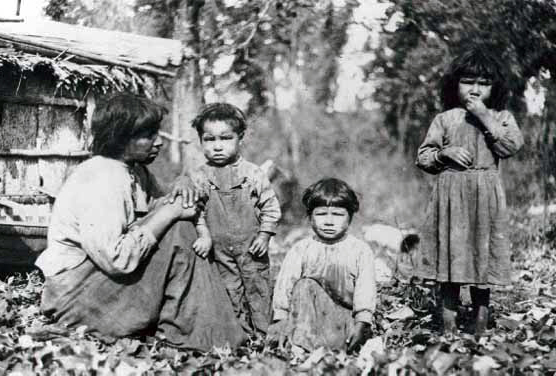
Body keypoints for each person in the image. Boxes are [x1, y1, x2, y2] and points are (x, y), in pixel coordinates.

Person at [35, 94, 246, 350]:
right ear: (120, 138)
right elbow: (116, 260)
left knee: (183, 222)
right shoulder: (102, 179)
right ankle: (195, 336)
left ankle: (202, 332)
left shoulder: (133, 170)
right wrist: (170, 212)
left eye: (156, 133)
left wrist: (183, 184)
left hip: (96, 286)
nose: (158, 142)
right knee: (178, 227)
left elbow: (166, 202)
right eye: (148, 136)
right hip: (74, 300)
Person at [415, 46, 524, 337]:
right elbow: (423, 156)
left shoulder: (501, 117)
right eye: (468, 82)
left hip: (485, 196)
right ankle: (448, 328)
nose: (475, 90)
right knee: (450, 261)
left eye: (484, 84)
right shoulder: (446, 119)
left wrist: (485, 117)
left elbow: (511, 146)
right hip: (451, 198)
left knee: (483, 260)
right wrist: (444, 154)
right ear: (455, 85)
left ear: (495, 88)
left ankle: (480, 326)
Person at [188, 103, 281, 337]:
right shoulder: (199, 176)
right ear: (200, 141)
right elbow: (195, 211)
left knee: (257, 288)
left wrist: (265, 234)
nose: (217, 146)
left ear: (240, 138)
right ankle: (240, 335)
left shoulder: (253, 173)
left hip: (251, 248)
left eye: (226, 138)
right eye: (209, 140)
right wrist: (203, 234)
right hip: (218, 250)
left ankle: (264, 334)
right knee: (229, 291)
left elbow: (270, 206)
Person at [268, 178, 376, 353]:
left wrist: (362, 322)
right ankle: (301, 349)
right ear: (310, 217)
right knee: (305, 285)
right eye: (321, 214)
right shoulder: (301, 249)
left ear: (350, 217)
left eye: (338, 215)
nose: (329, 221)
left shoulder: (360, 251)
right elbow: (284, 286)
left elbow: (366, 291)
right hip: (306, 320)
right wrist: (281, 318)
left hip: (343, 321)